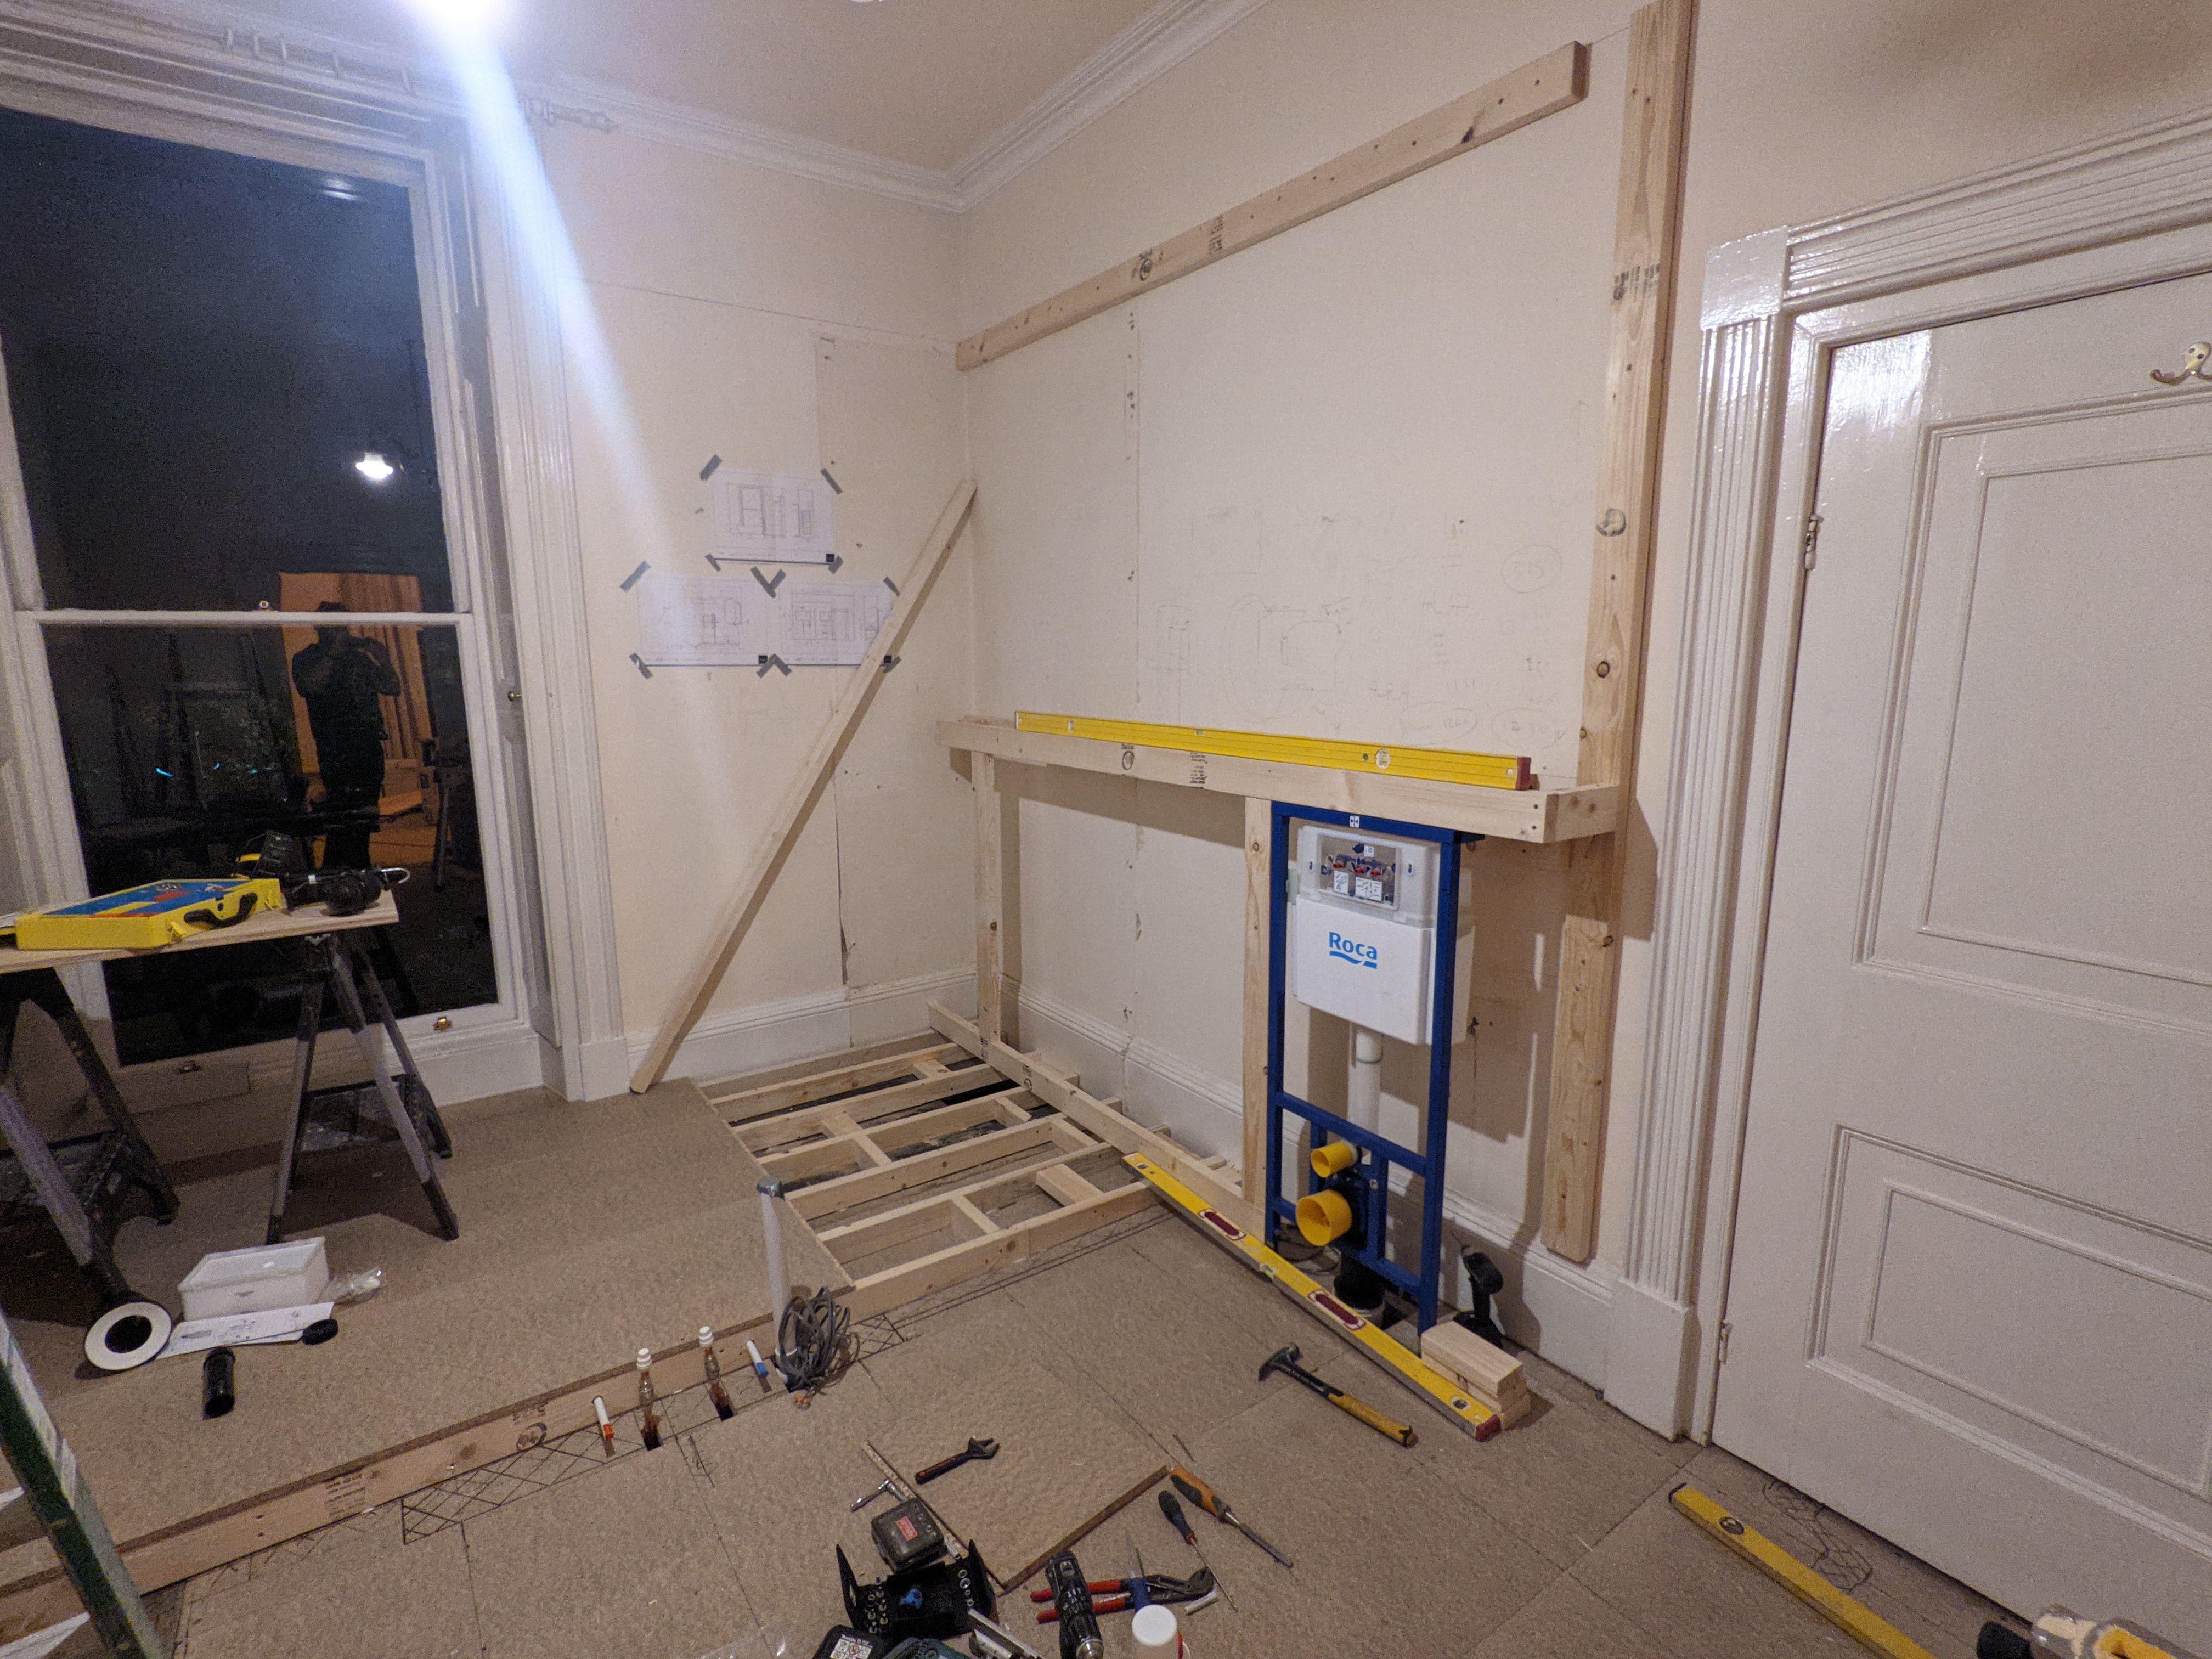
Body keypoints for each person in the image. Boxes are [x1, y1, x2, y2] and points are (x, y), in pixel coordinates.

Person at [291, 601, 399, 869]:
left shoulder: (358, 659)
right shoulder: (307, 658)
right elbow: (309, 686)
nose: (342, 631)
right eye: (334, 626)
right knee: (341, 814)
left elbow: (391, 687)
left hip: (368, 743)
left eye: (343, 626)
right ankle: (338, 871)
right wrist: (332, 654)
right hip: (335, 747)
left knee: (365, 813)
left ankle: (359, 867)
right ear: (320, 627)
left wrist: (383, 658)